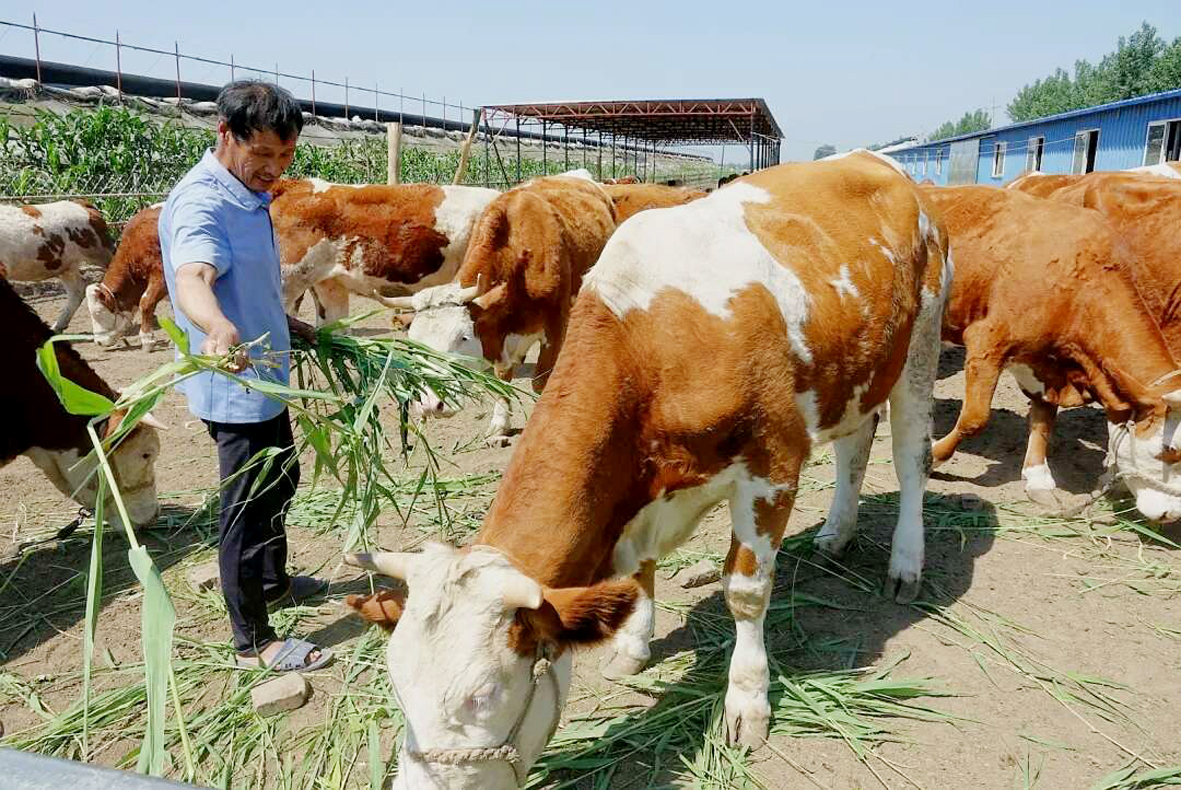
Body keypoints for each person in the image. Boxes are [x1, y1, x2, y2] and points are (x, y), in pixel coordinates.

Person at [159, 80, 331, 672]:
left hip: (265, 378)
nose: (274, 169)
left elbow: (242, 278)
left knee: (280, 479)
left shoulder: (246, 194)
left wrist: (281, 321)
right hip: (235, 382)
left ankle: (274, 581)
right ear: (225, 135)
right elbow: (193, 279)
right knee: (247, 507)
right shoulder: (203, 203)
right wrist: (217, 328)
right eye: (262, 155)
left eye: (285, 156)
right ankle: (253, 641)